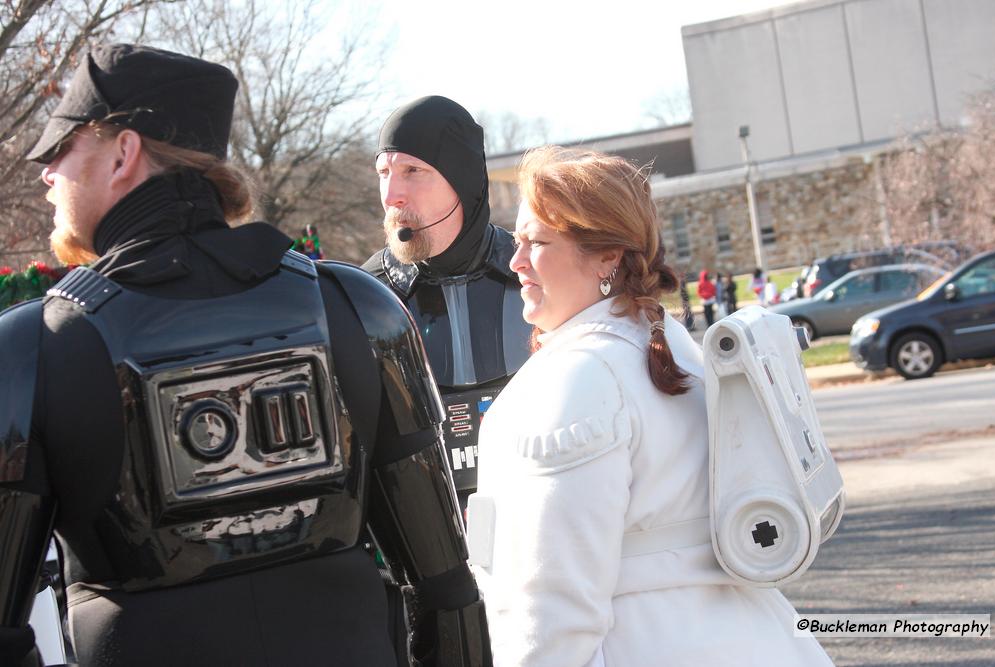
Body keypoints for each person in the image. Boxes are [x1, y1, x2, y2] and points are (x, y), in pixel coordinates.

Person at [0, 44, 489, 667]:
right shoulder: (356, 309)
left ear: (124, 152)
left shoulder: (32, 350)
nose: (47, 171)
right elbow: (448, 592)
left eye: (61, 147)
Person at [466, 147, 833, 666]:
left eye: (537, 242)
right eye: (517, 240)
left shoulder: (581, 377)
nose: (516, 261)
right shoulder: (666, 342)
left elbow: (552, 611)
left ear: (607, 256)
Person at [363, 96, 533, 505]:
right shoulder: (365, 298)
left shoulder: (535, 272)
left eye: (412, 171)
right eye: (384, 173)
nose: (392, 195)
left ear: (462, 179)